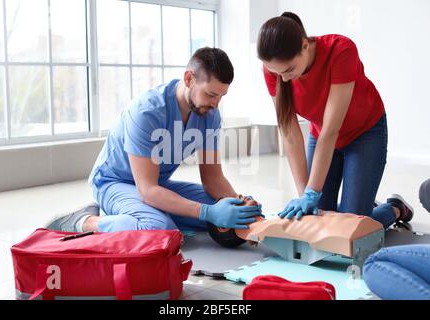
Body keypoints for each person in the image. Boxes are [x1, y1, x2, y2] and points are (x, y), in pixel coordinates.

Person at [47, 47, 262, 233]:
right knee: (159, 228)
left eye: (221, 96)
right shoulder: (146, 112)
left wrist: (239, 204)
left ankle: (151, 212)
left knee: (227, 215)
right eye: (211, 94)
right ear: (189, 79)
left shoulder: (209, 115)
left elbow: (213, 179)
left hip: (156, 183)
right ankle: (86, 221)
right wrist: (205, 211)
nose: (216, 104)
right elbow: (147, 190)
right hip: (115, 182)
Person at [256, 12, 413, 229]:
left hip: (364, 133)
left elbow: (331, 130)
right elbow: (290, 134)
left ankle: (394, 208)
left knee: (352, 226)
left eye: (289, 70)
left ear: (304, 45)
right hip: (320, 135)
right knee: (317, 219)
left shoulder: (341, 50)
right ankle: (360, 204)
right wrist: (305, 197)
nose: (283, 78)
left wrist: (313, 193)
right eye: (277, 72)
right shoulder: (274, 68)